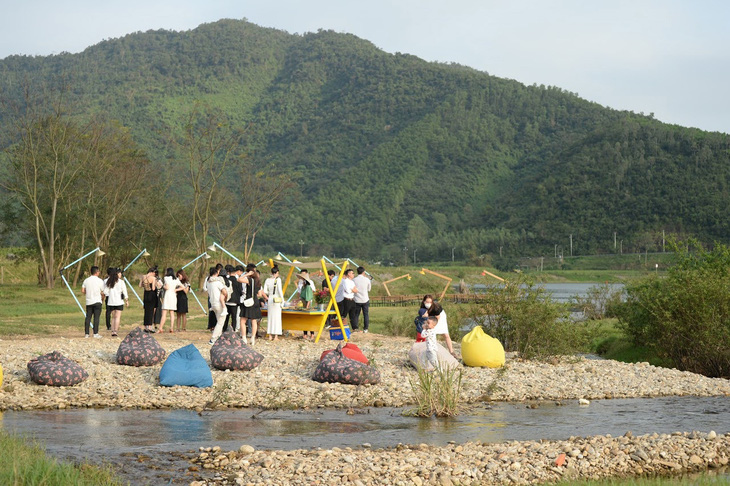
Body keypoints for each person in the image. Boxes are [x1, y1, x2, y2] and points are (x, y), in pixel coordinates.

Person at [239, 263, 262, 345]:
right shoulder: (258, 281)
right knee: (254, 320)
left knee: (243, 320)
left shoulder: (249, 280)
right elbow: (260, 294)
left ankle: (244, 338)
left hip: (248, 301)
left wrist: (246, 275)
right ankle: (253, 338)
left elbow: (239, 279)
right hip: (255, 301)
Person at [207, 267, 229, 345]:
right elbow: (224, 291)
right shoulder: (218, 282)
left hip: (212, 303)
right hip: (219, 303)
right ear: (217, 273)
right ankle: (213, 339)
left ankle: (219, 338)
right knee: (220, 322)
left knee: (219, 320)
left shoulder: (208, 282)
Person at [104, 268, 128, 337]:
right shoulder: (121, 282)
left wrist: (110, 293)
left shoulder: (109, 281)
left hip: (111, 301)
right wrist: (126, 299)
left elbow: (105, 291)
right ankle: (115, 331)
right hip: (119, 301)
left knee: (113, 317)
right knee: (117, 317)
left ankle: (112, 330)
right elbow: (124, 291)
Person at [81, 266, 105, 338]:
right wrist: (102, 298)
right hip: (97, 300)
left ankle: (87, 333)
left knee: (88, 317)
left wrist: (88, 292)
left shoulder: (86, 280)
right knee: (96, 317)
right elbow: (103, 291)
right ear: (97, 272)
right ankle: (95, 333)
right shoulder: (100, 281)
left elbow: (82, 290)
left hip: (89, 301)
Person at [263, 266, 283, 341]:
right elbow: (280, 291)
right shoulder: (278, 280)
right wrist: (282, 300)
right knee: (277, 318)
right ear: (277, 272)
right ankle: (276, 336)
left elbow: (265, 291)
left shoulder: (267, 280)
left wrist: (269, 295)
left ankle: (270, 335)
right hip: (277, 299)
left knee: (270, 317)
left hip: (270, 299)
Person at [295, 269, 316, 339]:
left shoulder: (309, 285)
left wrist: (307, 306)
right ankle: (305, 333)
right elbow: (299, 293)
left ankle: (312, 333)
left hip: (308, 305)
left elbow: (310, 296)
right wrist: (297, 300)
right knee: (304, 319)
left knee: (309, 320)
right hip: (303, 304)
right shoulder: (302, 285)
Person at [158, 267, 179, 333]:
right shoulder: (176, 279)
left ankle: (160, 328)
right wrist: (176, 290)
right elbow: (182, 286)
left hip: (168, 295)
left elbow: (167, 287)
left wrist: (162, 286)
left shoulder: (166, 278)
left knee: (164, 312)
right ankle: (171, 327)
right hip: (173, 296)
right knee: (172, 313)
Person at [140, 267, 160, 333]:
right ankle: (150, 326)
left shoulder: (143, 277)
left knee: (146, 310)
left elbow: (140, 285)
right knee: (151, 311)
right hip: (152, 294)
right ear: (152, 272)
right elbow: (154, 288)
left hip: (146, 294)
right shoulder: (153, 278)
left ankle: (145, 326)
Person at [224, 265, 243, 333]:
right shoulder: (238, 281)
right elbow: (240, 291)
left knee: (226, 317)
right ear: (235, 272)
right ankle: (234, 329)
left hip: (227, 300)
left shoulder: (227, 280)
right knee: (234, 317)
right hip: (235, 301)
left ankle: (224, 329)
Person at [353, 266, 371, 333]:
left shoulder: (354, 280)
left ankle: (355, 328)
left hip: (357, 299)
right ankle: (365, 328)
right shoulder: (367, 280)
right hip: (365, 299)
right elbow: (369, 289)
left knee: (356, 315)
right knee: (365, 314)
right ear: (363, 272)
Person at [104, 266, 114, 331]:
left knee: (108, 312)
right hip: (112, 297)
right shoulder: (115, 280)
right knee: (114, 312)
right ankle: (113, 325)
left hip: (107, 297)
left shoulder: (105, 280)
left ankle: (108, 326)